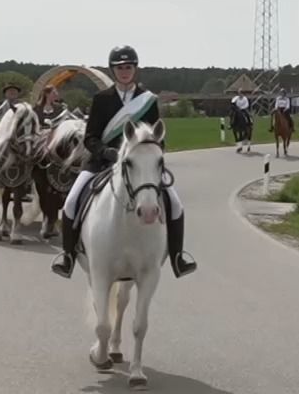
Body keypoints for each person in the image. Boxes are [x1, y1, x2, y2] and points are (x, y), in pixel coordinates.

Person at [50, 45, 198, 280]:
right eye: (120, 68)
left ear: (135, 69)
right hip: (102, 163)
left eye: (129, 67)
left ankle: (178, 257)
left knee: (176, 204)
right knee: (70, 202)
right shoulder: (101, 99)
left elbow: (157, 137)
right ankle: (67, 257)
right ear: (113, 70)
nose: (125, 72)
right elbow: (90, 137)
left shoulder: (147, 101)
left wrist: (153, 155)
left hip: (141, 168)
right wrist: (106, 151)